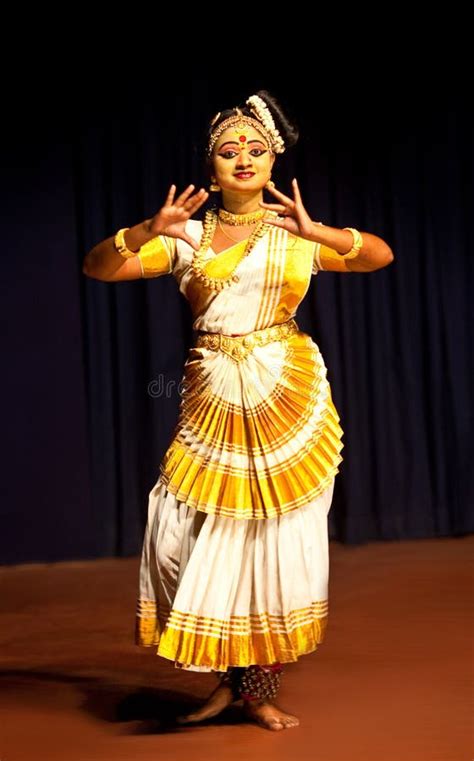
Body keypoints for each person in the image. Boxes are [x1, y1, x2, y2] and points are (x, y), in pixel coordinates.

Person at [83, 91, 394, 731]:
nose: (243, 158)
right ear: (212, 165)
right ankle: (228, 681)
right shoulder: (187, 236)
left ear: (273, 162)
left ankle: (256, 688)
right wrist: (144, 231)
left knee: (272, 539)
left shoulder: (296, 234)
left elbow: (378, 256)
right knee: (186, 531)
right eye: (230, 151)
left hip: (287, 391)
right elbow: (99, 269)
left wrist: (319, 233)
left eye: (256, 149)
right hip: (214, 394)